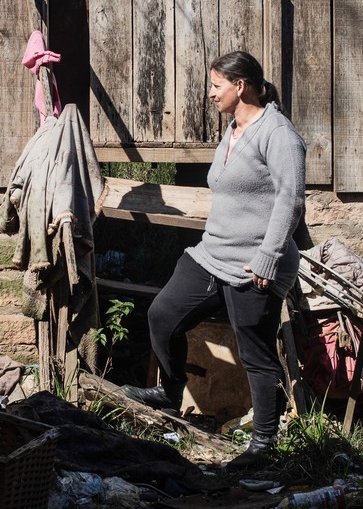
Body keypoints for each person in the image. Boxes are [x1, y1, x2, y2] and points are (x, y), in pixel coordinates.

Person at [121, 50, 306, 470]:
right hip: (212, 253)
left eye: (216, 86)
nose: (210, 93)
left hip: (255, 262)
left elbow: (290, 200)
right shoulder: (234, 129)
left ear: (240, 86)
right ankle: (171, 390)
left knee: (255, 353)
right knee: (163, 314)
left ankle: (263, 445)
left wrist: (269, 257)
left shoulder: (278, 134)